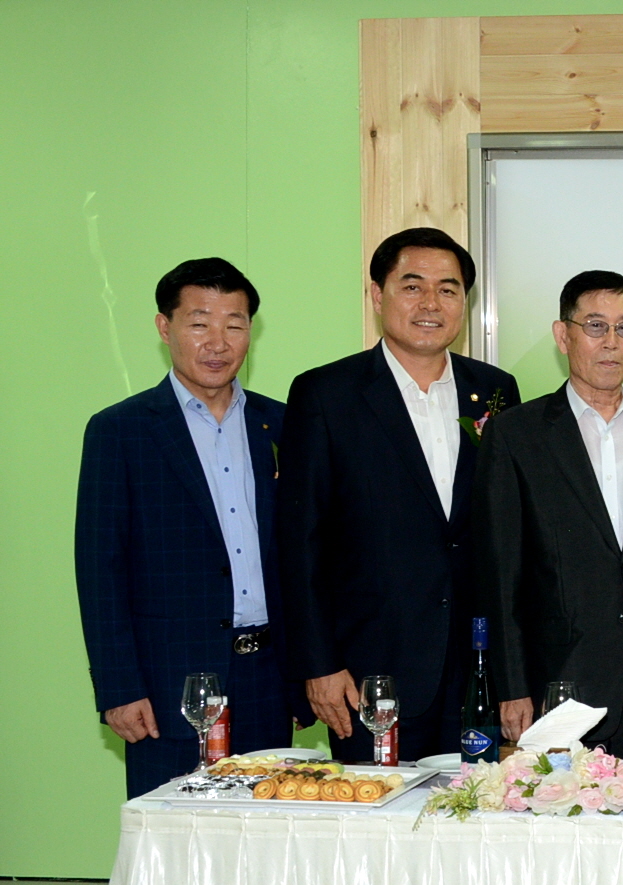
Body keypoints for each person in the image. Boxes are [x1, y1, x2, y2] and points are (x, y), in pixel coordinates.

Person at [276, 228, 521, 761]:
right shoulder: (326, 394)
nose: (431, 303)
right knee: (376, 810)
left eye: (448, 289)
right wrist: (319, 664)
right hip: (369, 673)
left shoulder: (495, 391)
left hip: (476, 669)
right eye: (412, 287)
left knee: (476, 808)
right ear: (377, 295)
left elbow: (506, 534)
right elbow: (299, 542)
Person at [76, 258, 294, 797]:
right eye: (199, 323)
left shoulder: (282, 424)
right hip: (168, 683)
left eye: (234, 324)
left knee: (268, 831)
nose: (218, 342)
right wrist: (118, 686)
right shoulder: (120, 431)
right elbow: (101, 569)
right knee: (175, 832)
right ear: (164, 327)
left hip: (268, 676)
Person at [472, 271, 623, 757]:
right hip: (558, 688)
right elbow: (499, 572)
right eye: (595, 326)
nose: (611, 342)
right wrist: (512, 685)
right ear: (562, 334)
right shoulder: (516, 434)